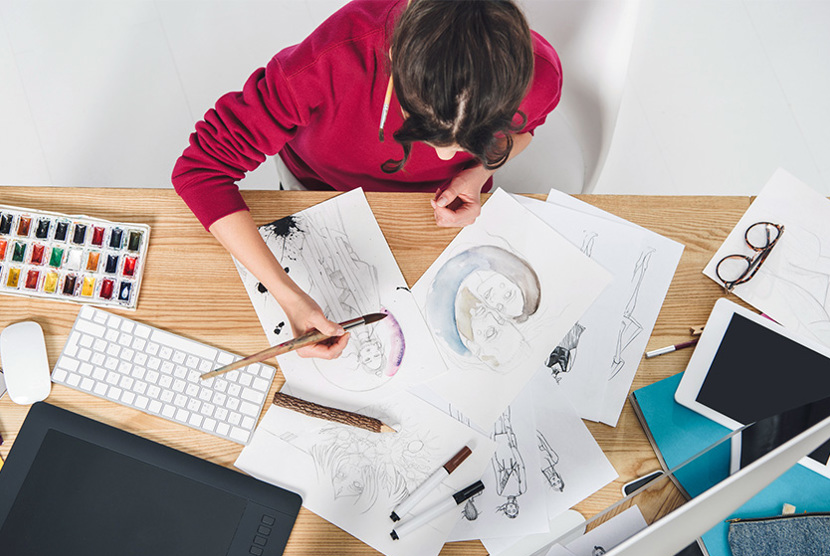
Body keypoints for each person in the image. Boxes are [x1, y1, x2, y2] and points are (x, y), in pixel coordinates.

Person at [172, 0, 562, 360]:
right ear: (396, 62)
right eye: (426, 131)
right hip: (316, 188)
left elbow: (525, 131)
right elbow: (201, 171)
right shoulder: (330, 60)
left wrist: (478, 172)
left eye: (470, 140)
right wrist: (288, 298)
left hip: (432, 217)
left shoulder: (537, 70)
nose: (446, 156)